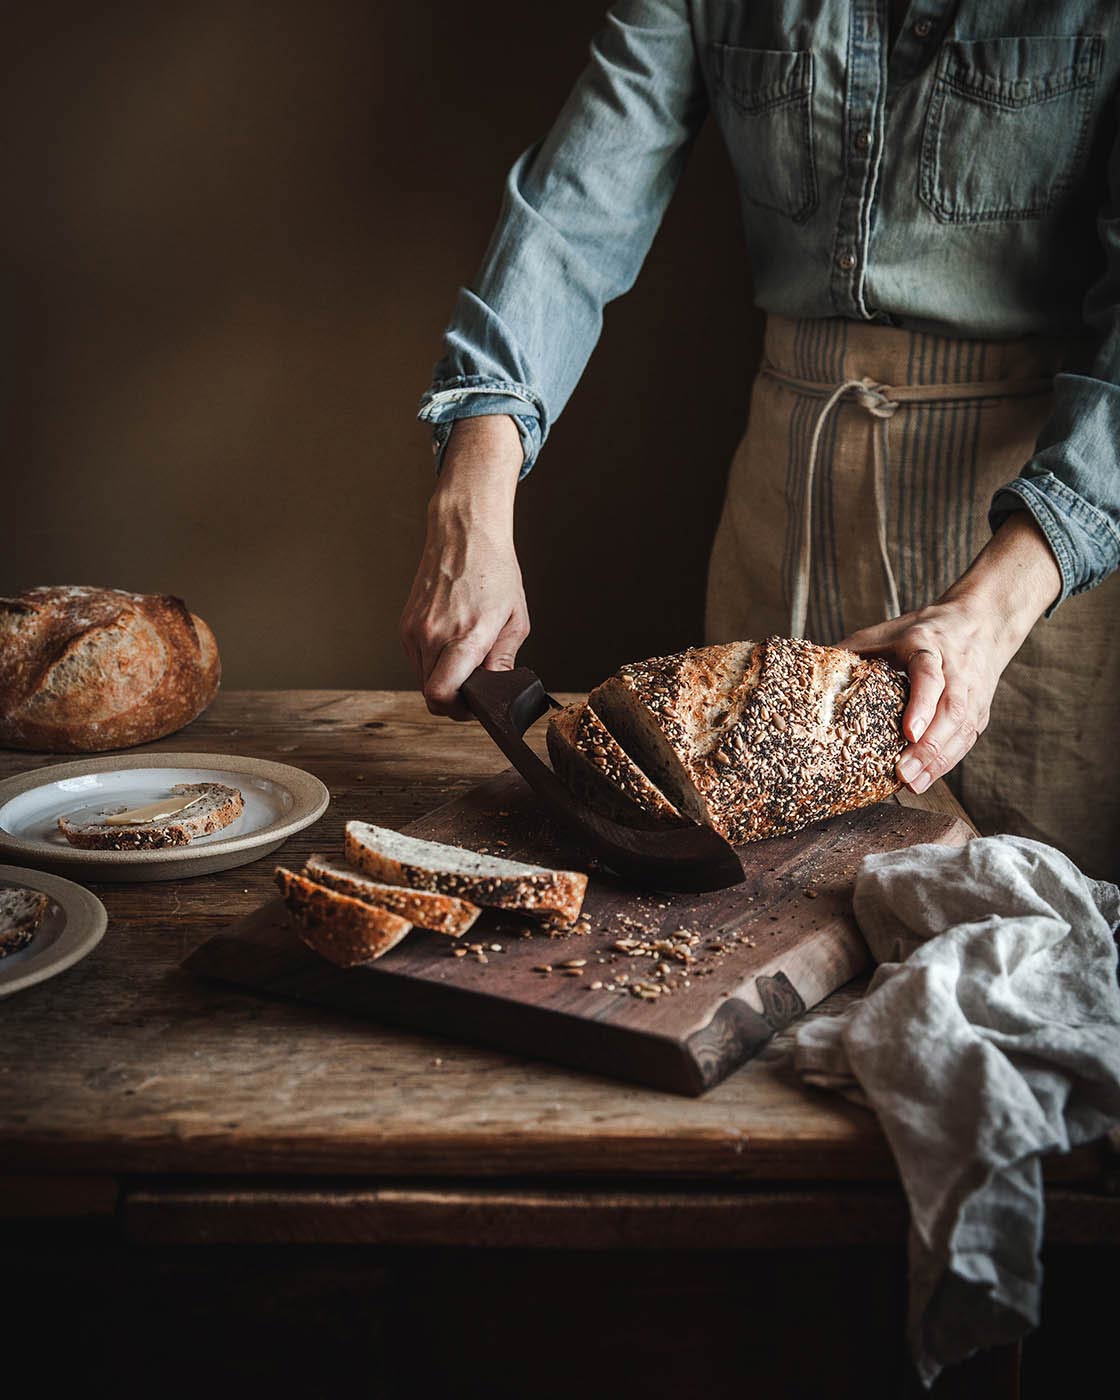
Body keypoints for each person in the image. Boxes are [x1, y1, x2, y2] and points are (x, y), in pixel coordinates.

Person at [401, 2, 1120, 882]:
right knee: (766, 902)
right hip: (786, 493)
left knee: (1038, 916)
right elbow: (573, 212)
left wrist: (996, 608)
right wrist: (470, 499)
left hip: (1042, 536)